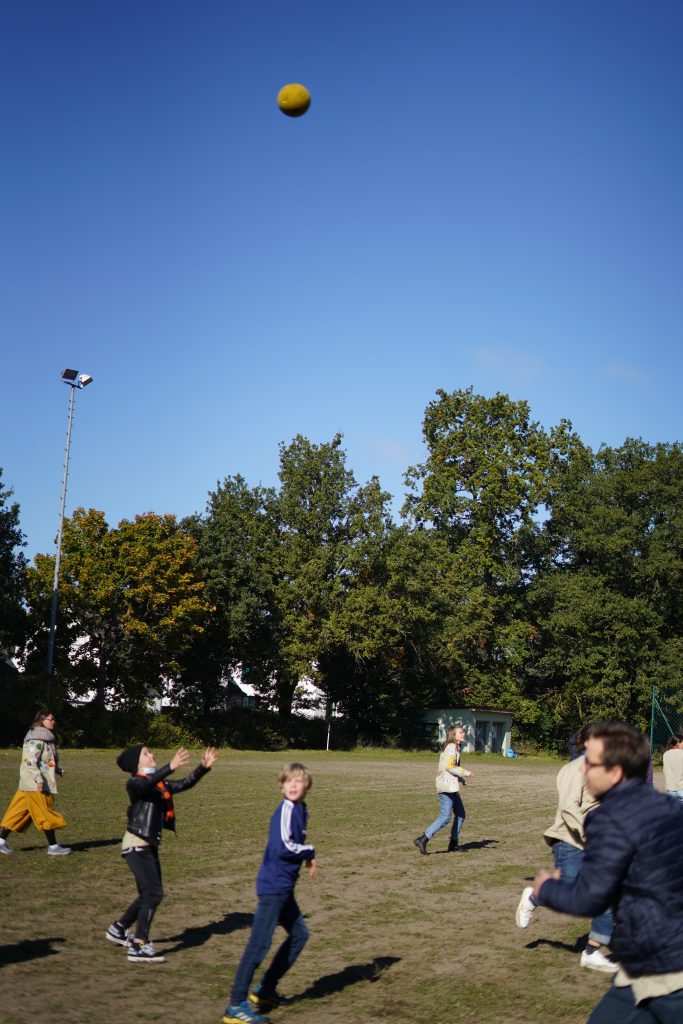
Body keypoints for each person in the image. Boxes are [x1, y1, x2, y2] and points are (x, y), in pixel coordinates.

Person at [528, 721, 683, 1023]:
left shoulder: (609, 819)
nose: (583, 768)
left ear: (614, 772)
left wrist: (546, 888)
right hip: (641, 967)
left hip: (665, 968)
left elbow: (590, 898)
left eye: (590, 762)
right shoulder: (669, 807)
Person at [515, 726, 615, 973]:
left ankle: (592, 952)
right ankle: (535, 896)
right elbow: (569, 807)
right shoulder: (576, 768)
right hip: (570, 840)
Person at [222, 762, 316, 1024]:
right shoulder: (286, 809)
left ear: (307, 786)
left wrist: (306, 856)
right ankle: (235, 1005)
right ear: (281, 786)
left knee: (299, 934)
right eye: (289, 781)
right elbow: (283, 846)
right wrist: (309, 851)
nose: (294, 785)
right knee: (259, 944)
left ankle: (265, 990)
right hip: (273, 887)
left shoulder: (301, 809)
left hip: (284, 888)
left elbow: (293, 845)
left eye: (299, 781)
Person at [106, 743, 217, 964]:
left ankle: (118, 929)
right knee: (154, 893)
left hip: (147, 845)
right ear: (137, 763)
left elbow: (184, 784)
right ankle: (139, 945)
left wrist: (203, 768)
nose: (152, 755)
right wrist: (170, 766)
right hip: (137, 845)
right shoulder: (135, 783)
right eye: (146, 754)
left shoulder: (158, 784)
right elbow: (145, 787)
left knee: (147, 894)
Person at [0, 708, 71, 855]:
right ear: (42, 721)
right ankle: (53, 847)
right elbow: (30, 761)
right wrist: (38, 779)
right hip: (35, 785)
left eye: (53, 719)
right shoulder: (36, 739)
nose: (53, 721)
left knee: (17, 813)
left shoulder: (45, 739)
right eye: (50, 719)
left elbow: (44, 761)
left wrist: (57, 770)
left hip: (29, 784)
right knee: (45, 813)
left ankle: (0, 841)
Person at [414, 724, 473, 855]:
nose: (463, 734)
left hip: (451, 786)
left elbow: (449, 768)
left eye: (463, 732)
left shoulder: (456, 748)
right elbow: (449, 767)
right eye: (460, 732)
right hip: (446, 787)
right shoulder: (451, 747)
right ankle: (423, 839)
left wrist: (460, 779)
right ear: (454, 735)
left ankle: (453, 843)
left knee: (460, 814)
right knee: (445, 817)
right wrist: (466, 773)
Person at [663, 732, 683, 801]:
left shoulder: (665, 754)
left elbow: (665, 771)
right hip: (681, 788)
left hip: (670, 789)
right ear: (679, 743)